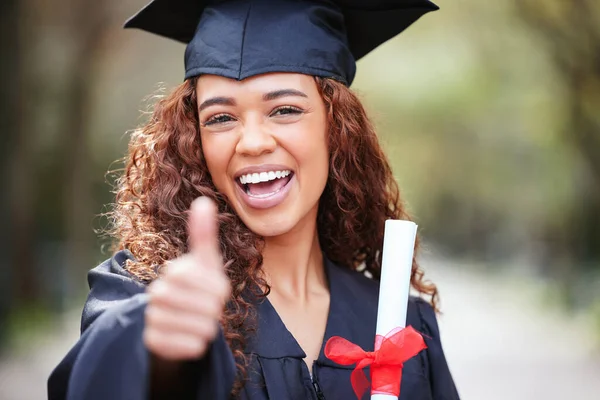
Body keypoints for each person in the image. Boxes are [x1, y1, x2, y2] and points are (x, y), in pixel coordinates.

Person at [48, 0, 459, 399]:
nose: (253, 142)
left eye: (284, 110)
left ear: (338, 130)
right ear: (195, 142)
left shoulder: (400, 325)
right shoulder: (147, 294)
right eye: (221, 118)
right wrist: (159, 357)